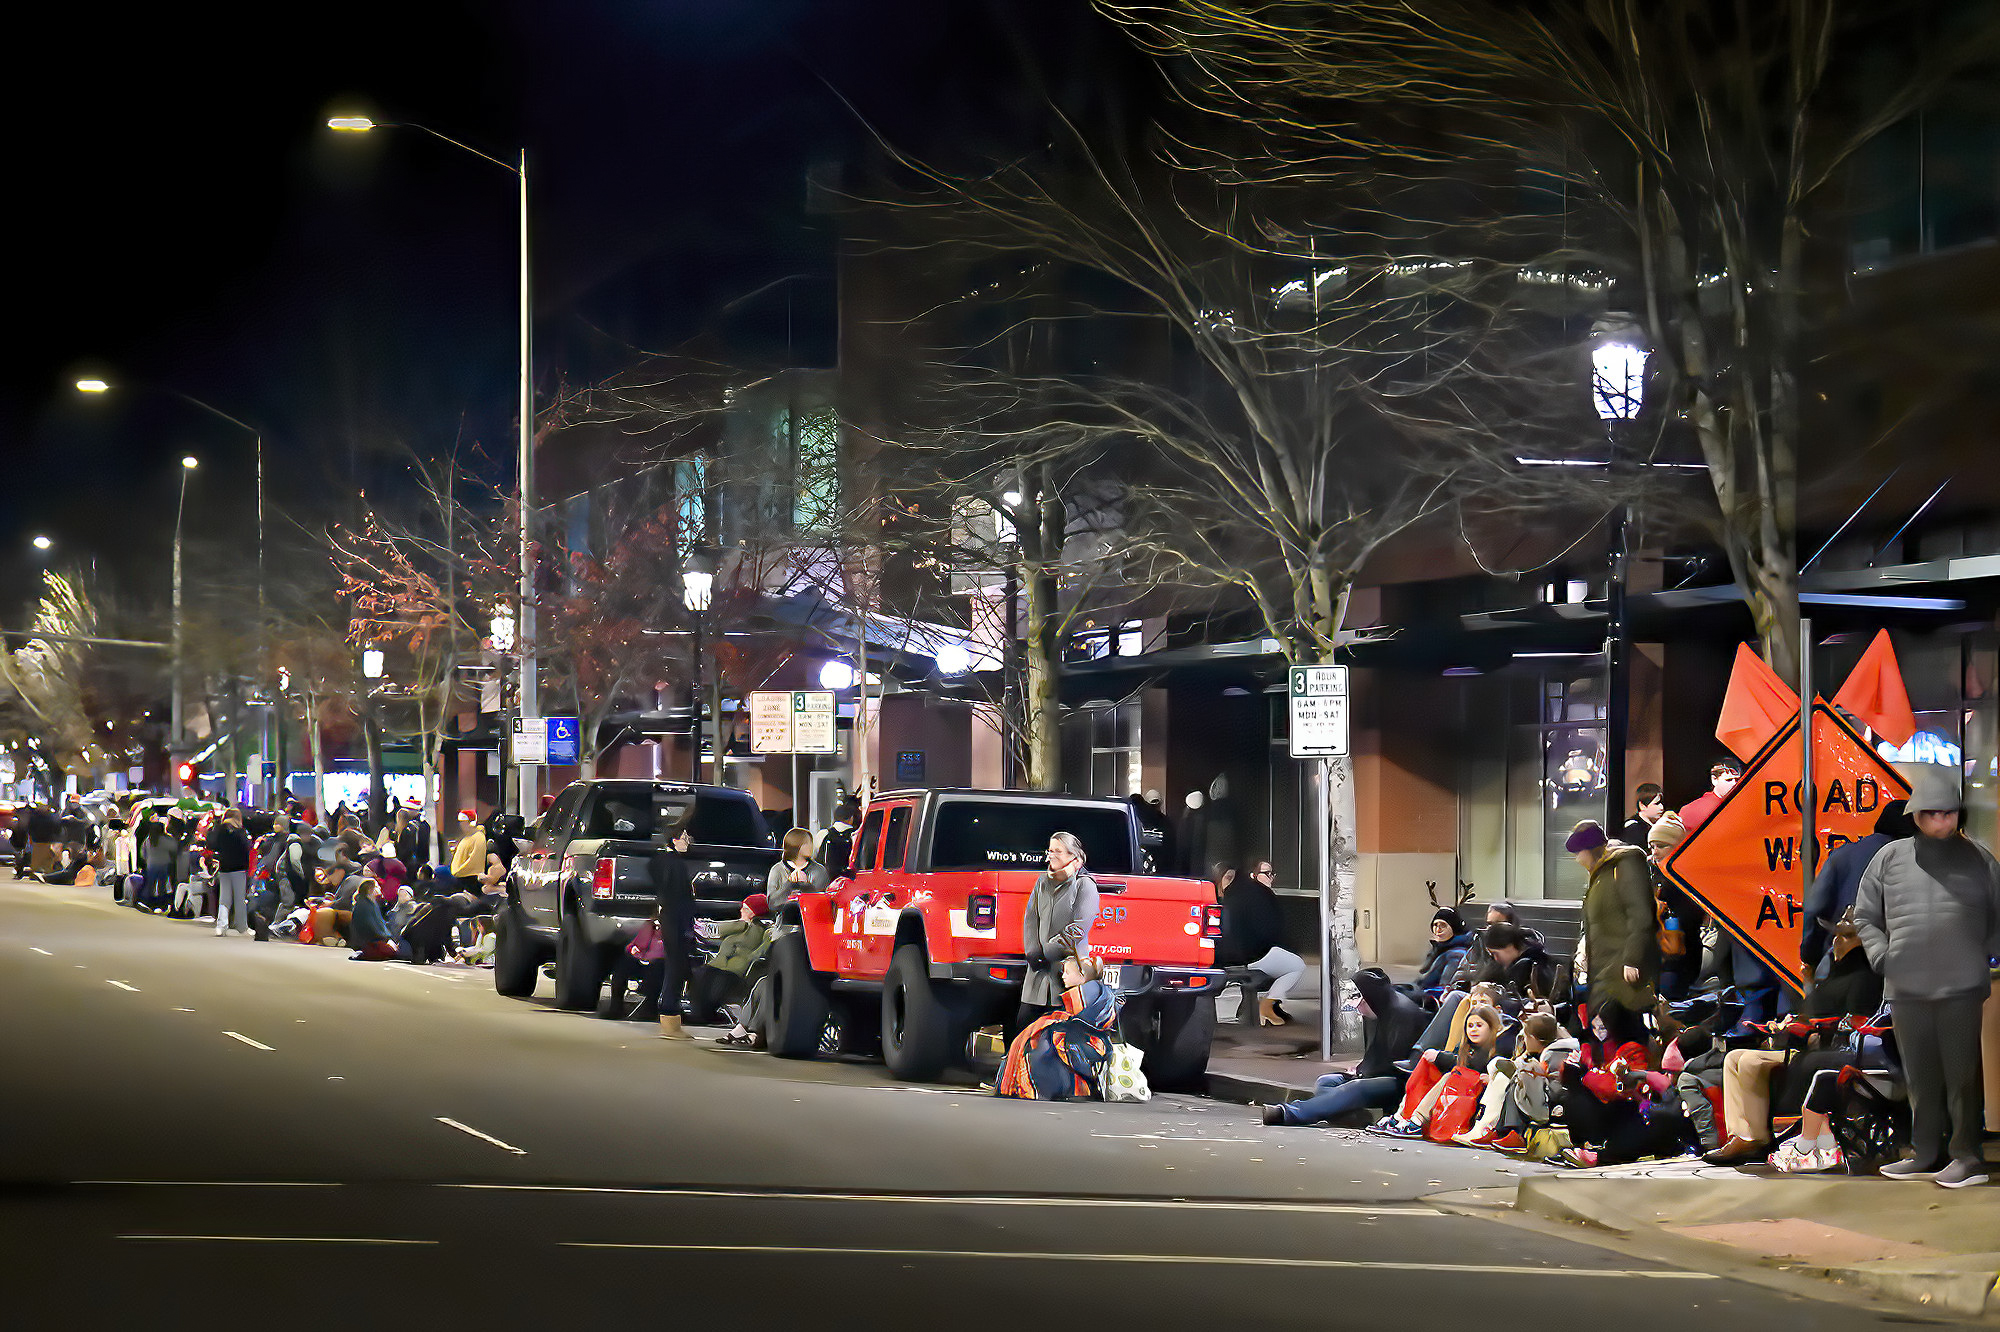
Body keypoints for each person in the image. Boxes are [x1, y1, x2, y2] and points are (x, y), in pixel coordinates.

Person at [1855, 766, 2000, 1189]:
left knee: (1962, 1074)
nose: (1941, 821)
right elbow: (1865, 914)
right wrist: (1883, 956)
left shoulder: (1980, 858)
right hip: (1907, 985)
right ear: (1915, 815)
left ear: (1959, 815)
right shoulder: (1890, 857)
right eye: (1931, 813)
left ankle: (1966, 1155)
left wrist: (1984, 954)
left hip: (1961, 985)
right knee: (1919, 1075)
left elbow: (1998, 915)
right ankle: (1925, 1152)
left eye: (1949, 813)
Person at [1264, 968, 1430, 1126]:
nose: (1357, 1008)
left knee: (1356, 1088)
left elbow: (1398, 1064)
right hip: (1376, 1073)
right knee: (1326, 1081)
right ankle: (1348, 1115)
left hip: (1401, 1080)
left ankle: (1289, 1113)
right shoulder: (1375, 1012)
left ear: (1370, 999)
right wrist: (1360, 1070)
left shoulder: (1402, 1015)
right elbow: (1375, 1054)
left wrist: (1363, 1074)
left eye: (1359, 1003)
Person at [1569, 820, 1658, 1044]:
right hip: (1603, 966)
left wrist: (1633, 958)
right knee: (1606, 1032)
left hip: (1622, 967)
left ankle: (1635, 1074)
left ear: (1590, 849)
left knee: (1625, 1030)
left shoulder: (1625, 864)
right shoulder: (1600, 873)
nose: (1577, 859)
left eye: (1579, 852)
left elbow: (1640, 914)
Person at [1013, 831, 1100, 1046]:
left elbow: (1080, 926)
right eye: (1050, 850)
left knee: (1062, 1038)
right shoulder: (1042, 882)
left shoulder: (1084, 885)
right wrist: (1032, 951)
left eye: (1057, 851)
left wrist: (1049, 951)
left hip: (1066, 975)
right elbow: (1031, 918)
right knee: (1024, 1029)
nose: (1051, 855)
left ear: (1075, 857)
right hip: (1038, 972)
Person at [995, 952, 1119, 1100]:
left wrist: (1054, 1023)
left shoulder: (1089, 990)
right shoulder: (1095, 989)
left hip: (1086, 1041)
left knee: (1039, 1042)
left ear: (1082, 976)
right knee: (1035, 1037)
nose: (1063, 976)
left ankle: (1046, 1088)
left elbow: (1082, 1022)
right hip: (1082, 1038)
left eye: (1067, 972)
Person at [1371, 1004, 1504, 1137]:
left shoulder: (1500, 1048)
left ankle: (1417, 1120)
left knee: (1449, 1076)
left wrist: (1491, 1078)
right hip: (1460, 1093)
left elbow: (1470, 1068)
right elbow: (1460, 1062)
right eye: (1470, 1026)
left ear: (1491, 1027)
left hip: (1476, 1099)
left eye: (1479, 1025)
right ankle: (1402, 1115)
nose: (1473, 1030)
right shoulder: (1466, 1047)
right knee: (1429, 1065)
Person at [1218, 858, 1306, 1026]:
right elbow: (1269, 930)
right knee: (1296, 965)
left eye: (1272, 873)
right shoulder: (1260, 897)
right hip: (1253, 954)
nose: (1271, 878)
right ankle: (1268, 1005)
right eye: (1267, 873)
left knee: (1281, 961)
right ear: (1254, 876)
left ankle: (1261, 1007)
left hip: (1231, 955)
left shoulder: (1235, 895)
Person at [1643, 813, 1705, 1001]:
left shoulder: (1690, 877)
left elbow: (1691, 918)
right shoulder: (1649, 872)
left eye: (1661, 846)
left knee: (1671, 1005)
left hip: (1678, 956)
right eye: (1652, 846)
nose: (1655, 851)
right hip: (1654, 956)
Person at [688, 893, 774, 1024]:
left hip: (735, 972)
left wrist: (750, 960)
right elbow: (714, 933)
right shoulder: (739, 926)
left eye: (745, 908)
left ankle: (704, 1015)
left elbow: (762, 951)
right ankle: (701, 1014)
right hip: (716, 966)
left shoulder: (763, 931)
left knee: (717, 981)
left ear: (754, 912)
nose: (741, 910)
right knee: (699, 975)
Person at [651, 824, 697, 1039]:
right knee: (676, 966)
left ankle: (670, 1018)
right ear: (675, 839)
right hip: (675, 919)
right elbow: (678, 895)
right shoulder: (673, 863)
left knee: (675, 965)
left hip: (670, 917)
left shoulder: (663, 861)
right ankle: (670, 1016)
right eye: (686, 838)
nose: (688, 842)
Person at [1476, 922, 1556, 1003]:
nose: (1495, 958)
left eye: (1495, 953)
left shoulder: (1526, 966)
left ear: (1510, 946)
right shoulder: (1539, 960)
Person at [207, 807, 253, 936]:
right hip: (239, 868)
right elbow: (247, 847)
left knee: (224, 898)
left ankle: (221, 926)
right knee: (239, 899)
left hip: (224, 867)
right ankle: (242, 927)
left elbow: (212, 844)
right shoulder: (241, 831)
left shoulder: (220, 830)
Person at [765, 829, 828, 915]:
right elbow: (772, 904)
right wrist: (790, 885)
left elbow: (822, 903)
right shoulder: (777, 870)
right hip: (784, 924)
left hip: (811, 921)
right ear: (796, 846)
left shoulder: (819, 870)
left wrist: (805, 886)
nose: (811, 846)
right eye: (807, 843)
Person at [1412, 907, 1473, 994]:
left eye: (1443, 925)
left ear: (1454, 928)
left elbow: (1444, 989)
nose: (1438, 930)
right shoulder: (1439, 948)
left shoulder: (1456, 955)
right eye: (1435, 925)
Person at [347, 876, 406, 961]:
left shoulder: (370, 903)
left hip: (374, 940)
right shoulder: (364, 905)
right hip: (370, 942)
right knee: (393, 952)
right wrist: (386, 939)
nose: (379, 889)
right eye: (377, 887)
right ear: (370, 889)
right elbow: (372, 927)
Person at [1677, 760, 1741, 834]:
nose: (1734, 784)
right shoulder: (1691, 810)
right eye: (1729, 780)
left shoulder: (1746, 803)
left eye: (1737, 780)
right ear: (1714, 780)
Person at [816, 800, 858, 878]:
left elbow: (815, 856)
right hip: (846, 880)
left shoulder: (824, 833)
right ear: (851, 818)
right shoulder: (855, 835)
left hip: (826, 879)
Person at [1621, 783, 1665, 848]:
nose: (1661, 807)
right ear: (1642, 806)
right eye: (1657, 804)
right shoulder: (1633, 829)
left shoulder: (1659, 826)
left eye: (1661, 803)